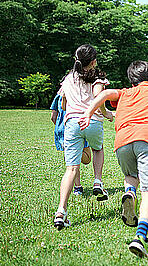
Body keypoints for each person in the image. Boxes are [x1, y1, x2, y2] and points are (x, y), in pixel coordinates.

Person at [80, 61, 148, 258]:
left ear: (133, 81)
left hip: (122, 142)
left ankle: (129, 193)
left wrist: (88, 111)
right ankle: (140, 237)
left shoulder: (126, 92)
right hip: (147, 140)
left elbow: (104, 94)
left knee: (131, 175)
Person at [53, 44, 113, 230]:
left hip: (72, 125)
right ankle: (97, 181)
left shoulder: (68, 79)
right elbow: (98, 98)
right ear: (93, 61)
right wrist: (107, 113)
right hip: (93, 122)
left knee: (71, 169)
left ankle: (61, 211)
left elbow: (62, 104)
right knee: (97, 149)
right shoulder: (98, 78)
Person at [50, 90, 90, 195]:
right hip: (78, 127)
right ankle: (78, 187)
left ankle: (78, 187)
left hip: (63, 130)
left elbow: (53, 116)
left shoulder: (58, 96)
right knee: (86, 159)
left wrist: (59, 127)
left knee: (72, 161)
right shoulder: (80, 93)